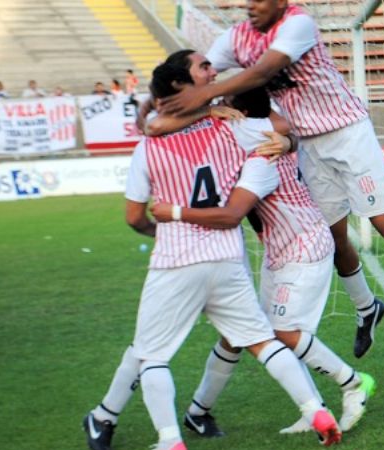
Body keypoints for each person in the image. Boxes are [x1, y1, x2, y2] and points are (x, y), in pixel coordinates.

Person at [158, 0, 384, 358]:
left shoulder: (298, 23)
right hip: (306, 144)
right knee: (334, 239)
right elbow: (203, 75)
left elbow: (261, 72)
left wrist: (206, 95)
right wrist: (160, 99)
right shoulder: (236, 38)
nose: (249, 6)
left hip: (348, 131)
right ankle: (367, 309)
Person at [82, 61, 341, 450]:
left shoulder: (149, 146)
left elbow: (134, 216)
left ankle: (168, 439)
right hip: (226, 259)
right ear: (180, 86)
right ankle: (317, 411)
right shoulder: (233, 129)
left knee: (150, 354)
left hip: (176, 258)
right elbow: (284, 132)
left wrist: (163, 227)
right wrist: (285, 142)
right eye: (202, 68)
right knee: (263, 342)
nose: (212, 73)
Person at [151, 85, 377, 437]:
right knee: (243, 334)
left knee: (280, 333)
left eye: (226, 101)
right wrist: (287, 141)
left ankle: (352, 383)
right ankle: (203, 411)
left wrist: (204, 111)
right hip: (281, 245)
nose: (220, 106)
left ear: (237, 110)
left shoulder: (243, 133)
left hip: (304, 243)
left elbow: (156, 126)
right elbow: (285, 126)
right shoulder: (266, 128)